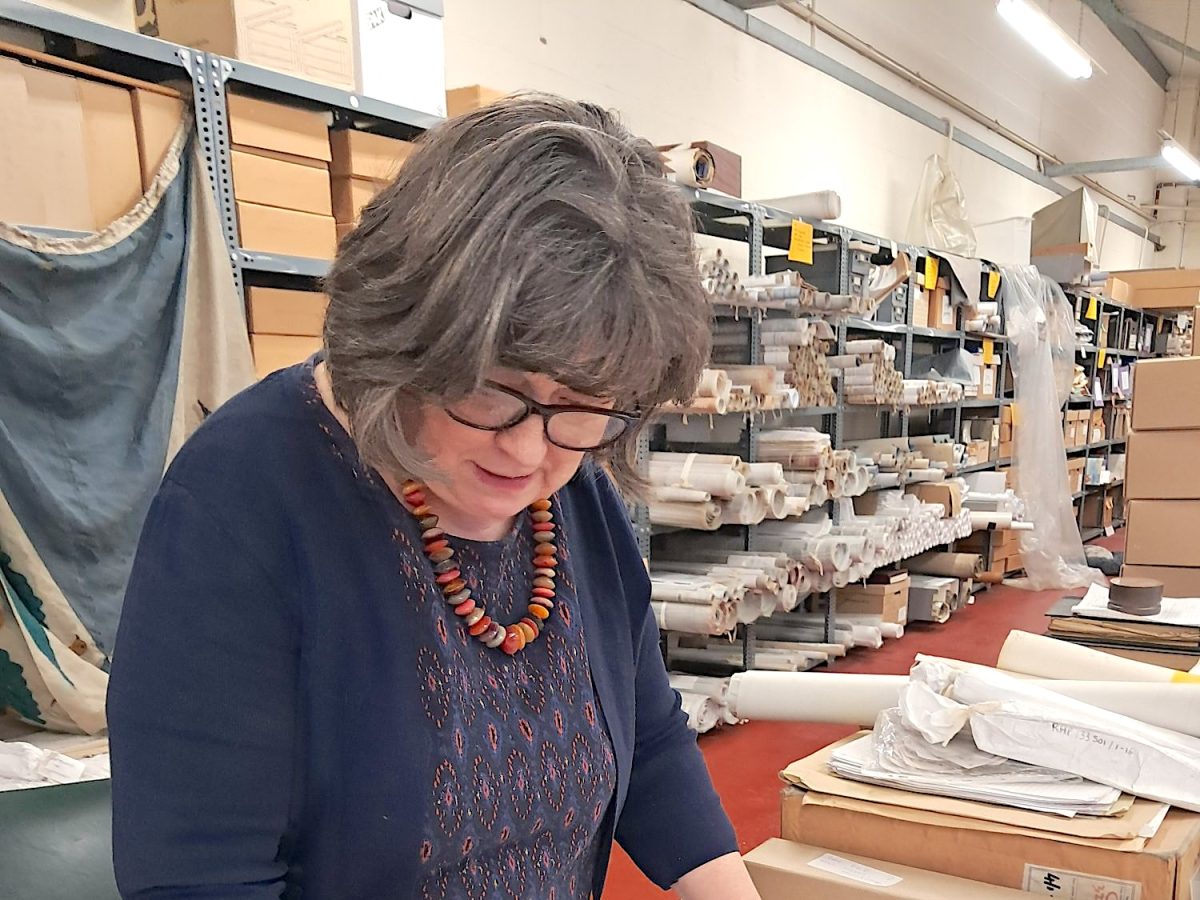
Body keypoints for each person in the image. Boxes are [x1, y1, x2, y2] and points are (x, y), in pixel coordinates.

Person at [107, 94, 762, 899]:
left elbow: (651, 740)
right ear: (405, 334)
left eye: (584, 405)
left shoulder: (574, 492)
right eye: (493, 391)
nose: (527, 450)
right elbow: (198, 880)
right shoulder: (241, 504)